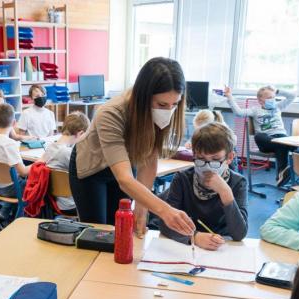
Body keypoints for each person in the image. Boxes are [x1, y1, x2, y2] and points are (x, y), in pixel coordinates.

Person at [69, 57, 195, 237]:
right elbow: (125, 179)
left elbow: (149, 158)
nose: (168, 110)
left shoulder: (161, 111)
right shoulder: (111, 113)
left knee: (121, 229)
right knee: (97, 233)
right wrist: (164, 211)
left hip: (125, 164)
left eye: (174, 104)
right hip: (92, 168)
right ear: (144, 97)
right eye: (162, 104)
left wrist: (142, 208)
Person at [156, 122, 248, 249]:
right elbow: (165, 224)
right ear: (193, 155)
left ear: (229, 157)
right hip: (187, 247)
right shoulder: (182, 179)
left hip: (222, 248)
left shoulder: (238, 183)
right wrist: (194, 236)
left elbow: (239, 234)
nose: (207, 166)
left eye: (215, 159)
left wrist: (225, 193)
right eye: (200, 158)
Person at [224, 84, 296, 185]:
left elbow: (292, 96)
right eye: (270, 98)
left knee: (296, 146)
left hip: (281, 138)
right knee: (260, 136)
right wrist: (229, 97)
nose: (273, 100)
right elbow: (239, 112)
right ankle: (284, 172)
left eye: (274, 97)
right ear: (260, 100)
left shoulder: (278, 107)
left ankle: (283, 175)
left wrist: (278, 90)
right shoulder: (255, 110)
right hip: (266, 142)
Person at [0, 103, 31, 229]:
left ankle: (1, 215)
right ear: (14, 123)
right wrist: (41, 161)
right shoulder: (10, 144)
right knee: (36, 183)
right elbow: (23, 172)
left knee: (16, 181)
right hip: (10, 190)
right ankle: (29, 221)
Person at [37, 112, 90, 215]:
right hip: (71, 205)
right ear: (80, 134)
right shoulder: (67, 153)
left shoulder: (50, 147)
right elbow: (87, 171)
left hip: (54, 202)